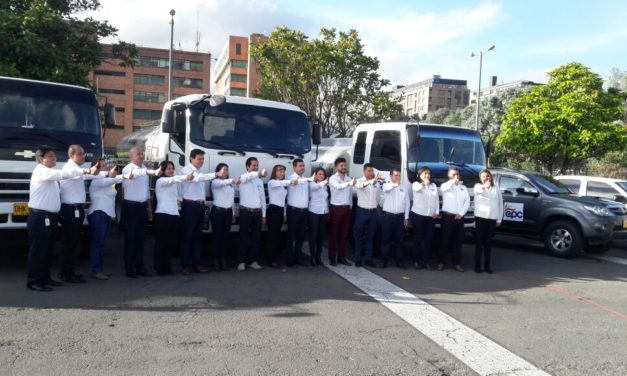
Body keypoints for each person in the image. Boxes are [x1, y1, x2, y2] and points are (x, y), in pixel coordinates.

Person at [26, 147, 98, 291]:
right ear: (41, 159)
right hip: (40, 217)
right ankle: (34, 281)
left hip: (51, 217)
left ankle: (45, 278)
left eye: (54, 156)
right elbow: (64, 174)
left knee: (48, 250)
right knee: (38, 251)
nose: (54, 159)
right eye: (51, 157)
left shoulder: (50, 173)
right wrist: (85, 170)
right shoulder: (41, 171)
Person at [58, 144, 104, 283]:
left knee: (72, 243)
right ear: (71, 155)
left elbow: (92, 176)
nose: (83, 156)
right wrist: (88, 170)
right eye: (80, 154)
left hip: (76, 209)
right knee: (69, 243)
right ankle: (66, 273)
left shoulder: (77, 169)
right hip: (70, 210)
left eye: (84, 153)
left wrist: (106, 173)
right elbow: (79, 173)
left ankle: (68, 271)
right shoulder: (70, 168)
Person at [179, 149, 221, 276]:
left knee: (197, 237)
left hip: (200, 206)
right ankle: (185, 265)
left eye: (203, 159)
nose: (201, 161)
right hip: (190, 205)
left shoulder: (200, 171)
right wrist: (215, 174)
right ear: (191, 158)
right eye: (199, 159)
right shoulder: (186, 170)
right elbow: (197, 179)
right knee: (187, 237)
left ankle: (197, 264)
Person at [120, 146, 160, 278]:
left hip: (142, 207)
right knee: (130, 239)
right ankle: (129, 268)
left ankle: (140, 267)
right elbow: (136, 174)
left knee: (140, 239)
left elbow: (146, 192)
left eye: (142, 154)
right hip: (131, 208)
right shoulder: (128, 169)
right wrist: (152, 172)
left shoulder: (144, 169)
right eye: (138, 154)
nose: (141, 156)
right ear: (131, 156)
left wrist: (149, 208)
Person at [153, 161, 194, 276]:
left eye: (172, 168)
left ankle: (167, 267)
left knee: (170, 243)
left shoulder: (175, 183)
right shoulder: (161, 181)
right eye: (168, 169)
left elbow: (178, 197)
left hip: (173, 215)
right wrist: (186, 177)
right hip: (162, 215)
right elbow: (171, 179)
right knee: (161, 243)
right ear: (163, 170)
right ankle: (159, 268)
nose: (171, 171)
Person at [87, 158, 123, 280]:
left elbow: (113, 179)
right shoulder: (96, 181)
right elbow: (111, 180)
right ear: (95, 169)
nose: (105, 168)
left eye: (105, 166)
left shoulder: (106, 179)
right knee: (97, 244)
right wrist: (124, 176)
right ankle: (96, 271)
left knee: (100, 244)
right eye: (101, 166)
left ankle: (99, 270)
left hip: (105, 214)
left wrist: (125, 176)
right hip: (98, 214)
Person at [237, 157, 267, 271]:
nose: (256, 167)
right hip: (246, 212)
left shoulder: (259, 181)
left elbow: (262, 198)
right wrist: (258, 173)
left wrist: (263, 214)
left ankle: (253, 261)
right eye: (253, 165)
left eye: (257, 165)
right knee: (243, 237)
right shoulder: (243, 177)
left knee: (256, 238)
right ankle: (241, 261)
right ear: (247, 167)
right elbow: (248, 177)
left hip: (257, 212)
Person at [438, 167, 470, 272]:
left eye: (457, 174)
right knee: (444, 240)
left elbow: (467, 202)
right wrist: (452, 182)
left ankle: (456, 263)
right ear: (449, 176)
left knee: (458, 241)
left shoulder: (463, 188)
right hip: (448, 216)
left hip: (459, 218)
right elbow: (443, 189)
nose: (456, 176)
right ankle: (441, 262)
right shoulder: (445, 185)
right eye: (454, 174)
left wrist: (461, 214)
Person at [210, 163, 240, 271]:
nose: (225, 172)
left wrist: (232, 214)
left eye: (226, 170)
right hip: (217, 211)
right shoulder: (215, 182)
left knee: (224, 237)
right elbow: (221, 183)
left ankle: (222, 258)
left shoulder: (230, 185)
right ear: (218, 171)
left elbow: (231, 201)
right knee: (217, 236)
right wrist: (232, 180)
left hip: (227, 213)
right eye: (223, 170)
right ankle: (215, 259)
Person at [473, 169, 503, 274]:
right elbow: (478, 191)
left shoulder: (496, 188)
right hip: (481, 217)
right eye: (484, 176)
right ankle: (477, 266)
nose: (486, 178)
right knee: (479, 242)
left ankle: (487, 266)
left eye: (488, 176)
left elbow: (500, 203)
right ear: (480, 178)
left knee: (488, 243)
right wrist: (485, 186)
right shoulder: (478, 186)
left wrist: (499, 218)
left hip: (492, 218)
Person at [410, 167, 439, 270]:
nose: (427, 175)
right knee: (418, 239)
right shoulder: (416, 184)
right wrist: (424, 184)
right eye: (425, 173)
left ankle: (425, 261)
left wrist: (436, 212)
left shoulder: (433, 185)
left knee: (428, 240)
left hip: (430, 217)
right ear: (420, 175)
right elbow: (417, 189)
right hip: (418, 215)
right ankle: (416, 261)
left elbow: (436, 200)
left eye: (429, 174)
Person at [380, 168, 410, 269]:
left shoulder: (404, 188)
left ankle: (399, 261)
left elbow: (407, 203)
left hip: (399, 217)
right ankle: (383, 260)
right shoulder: (386, 185)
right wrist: (394, 185)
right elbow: (386, 189)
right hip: (388, 216)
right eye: (396, 175)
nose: (398, 177)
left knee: (400, 240)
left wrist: (406, 218)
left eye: (399, 176)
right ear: (391, 176)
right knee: (386, 239)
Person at [328, 158, 355, 266]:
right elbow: (338, 187)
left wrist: (350, 206)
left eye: (344, 165)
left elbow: (350, 194)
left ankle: (341, 257)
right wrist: (349, 184)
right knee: (333, 234)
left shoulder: (348, 178)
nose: (343, 167)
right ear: (336, 167)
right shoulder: (332, 179)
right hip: (336, 208)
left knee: (344, 235)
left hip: (346, 209)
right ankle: (332, 257)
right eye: (341, 165)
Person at [353, 163, 381, 268]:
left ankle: (369, 258)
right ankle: (358, 258)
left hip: (373, 212)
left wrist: (373, 183)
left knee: (371, 236)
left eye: (372, 171)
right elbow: (360, 186)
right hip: (362, 212)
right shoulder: (359, 181)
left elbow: (378, 194)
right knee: (359, 236)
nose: (371, 173)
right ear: (364, 171)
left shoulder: (376, 183)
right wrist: (369, 182)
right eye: (369, 171)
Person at [286, 159, 311, 266]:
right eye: (300, 166)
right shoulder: (290, 178)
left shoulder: (306, 179)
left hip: (304, 212)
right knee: (291, 236)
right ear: (294, 167)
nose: (303, 168)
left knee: (301, 237)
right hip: (293, 211)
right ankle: (289, 259)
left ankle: (298, 257)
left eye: (303, 166)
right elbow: (295, 183)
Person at [266, 165, 292, 267]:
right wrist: (290, 182)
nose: (282, 173)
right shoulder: (272, 182)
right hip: (273, 210)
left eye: (283, 171)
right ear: (274, 172)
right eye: (279, 171)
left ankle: (275, 258)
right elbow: (279, 183)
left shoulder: (281, 185)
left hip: (280, 210)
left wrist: (285, 213)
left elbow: (283, 201)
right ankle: (270, 259)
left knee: (277, 236)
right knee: (272, 236)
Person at [308, 168, 329, 266]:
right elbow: (315, 188)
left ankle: (318, 256)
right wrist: (323, 183)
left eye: (323, 174)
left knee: (321, 236)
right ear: (315, 175)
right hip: (314, 212)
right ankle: (312, 257)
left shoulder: (325, 186)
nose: (321, 176)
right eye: (319, 174)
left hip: (324, 212)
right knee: (313, 235)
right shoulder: (312, 184)